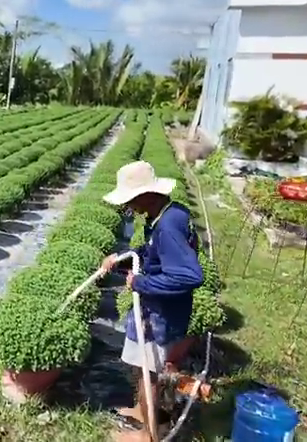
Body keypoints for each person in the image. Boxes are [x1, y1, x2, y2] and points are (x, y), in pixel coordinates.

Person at [100, 160, 203, 440]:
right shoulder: (169, 214)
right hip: (157, 309)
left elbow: (190, 276)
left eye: (131, 199)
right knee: (142, 368)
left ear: (147, 195)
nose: (129, 206)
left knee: (149, 373)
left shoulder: (168, 227)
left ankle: (148, 433)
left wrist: (141, 282)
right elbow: (153, 254)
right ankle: (140, 410)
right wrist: (123, 261)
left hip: (160, 315)